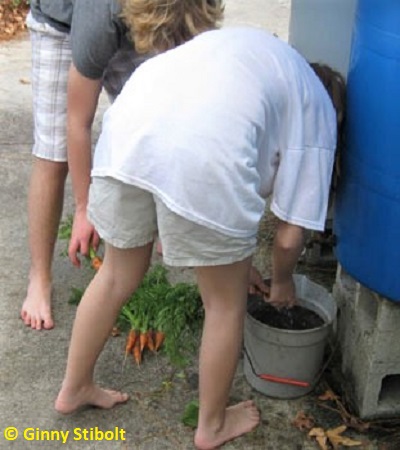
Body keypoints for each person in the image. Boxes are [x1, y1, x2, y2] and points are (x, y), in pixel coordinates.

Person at [55, 1, 345, 448]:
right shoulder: (320, 110)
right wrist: (282, 282)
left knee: (115, 276)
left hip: (131, 124)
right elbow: (288, 236)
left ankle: (74, 387)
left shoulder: (259, 54)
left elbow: (187, 195)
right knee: (223, 305)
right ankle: (211, 426)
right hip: (201, 151)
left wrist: (227, 253)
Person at [21, 0, 144, 330]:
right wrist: (83, 206)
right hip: (60, 23)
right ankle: (40, 277)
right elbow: (79, 121)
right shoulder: (99, 11)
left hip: (137, 18)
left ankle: (151, 244)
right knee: (54, 153)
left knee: (149, 129)